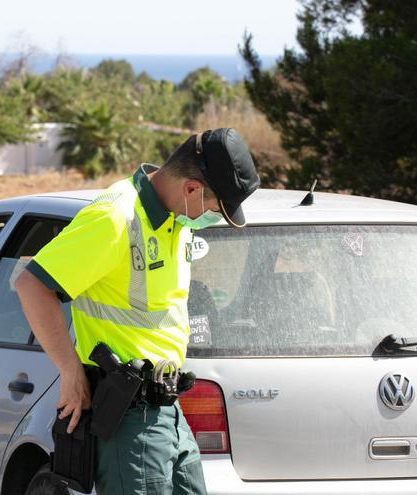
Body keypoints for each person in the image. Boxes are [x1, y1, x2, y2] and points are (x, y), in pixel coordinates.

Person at [15, 128, 260, 495]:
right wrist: (69, 370)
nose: (212, 218)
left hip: (168, 411)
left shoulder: (175, 217)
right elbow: (32, 284)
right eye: (214, 209)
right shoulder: (115, 217)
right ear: (192, 189)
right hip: (129, 416)